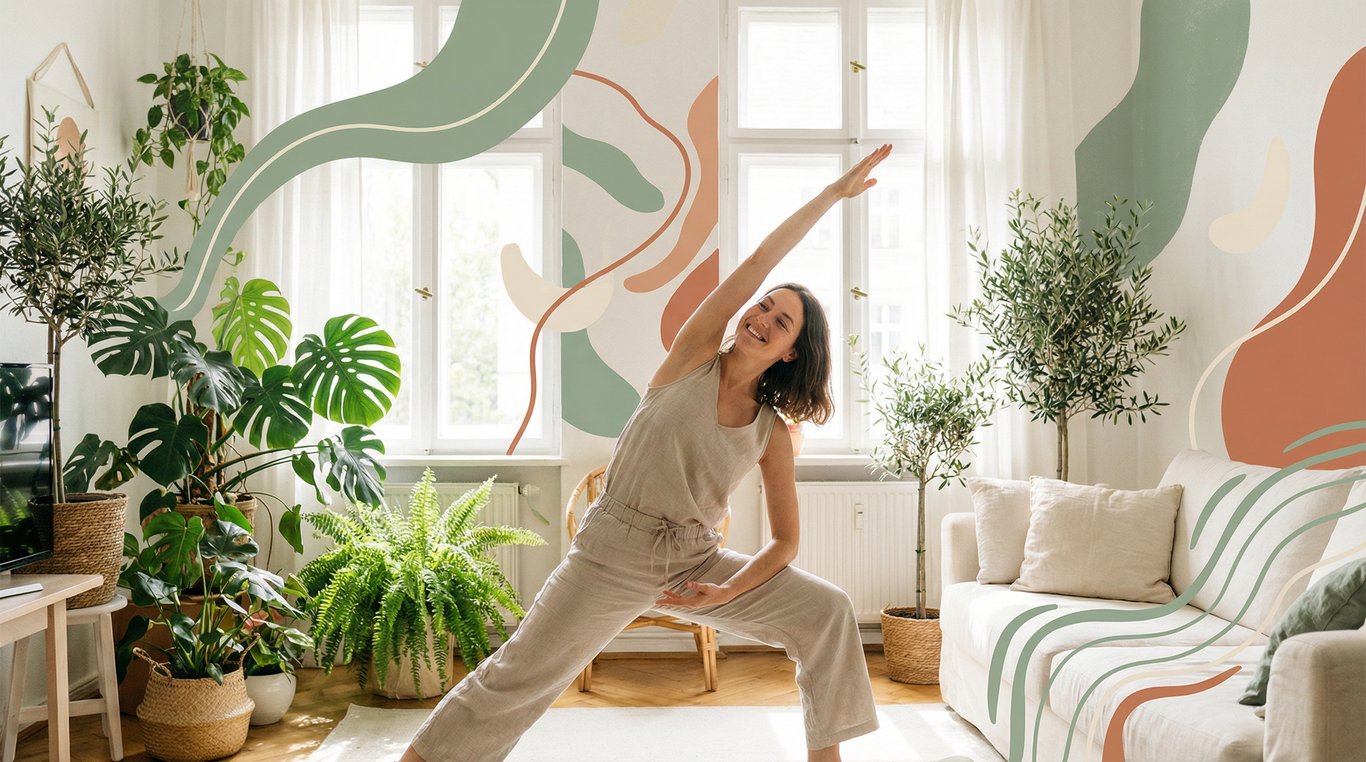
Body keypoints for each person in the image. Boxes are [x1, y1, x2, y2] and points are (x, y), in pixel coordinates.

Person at [402, 144, 893, 762]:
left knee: (828, 612)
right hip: (611, 552)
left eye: (782, 321)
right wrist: (830, 197)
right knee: (517, 676)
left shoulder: (772, 434)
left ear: (792, 352)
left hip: (694, 563)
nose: (762, 316)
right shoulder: (692, 358)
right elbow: (760, 259)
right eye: (764, 304)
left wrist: (726, 590)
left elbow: (785, 543)